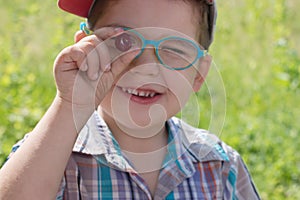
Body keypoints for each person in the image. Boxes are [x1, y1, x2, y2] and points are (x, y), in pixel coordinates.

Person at [0, 0, 260, 199]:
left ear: (199, 74)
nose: (145, 67)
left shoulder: (219, 165)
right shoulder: (50, 157)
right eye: (123, 42)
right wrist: (71, 103)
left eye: (172, 50)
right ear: (85, 48)